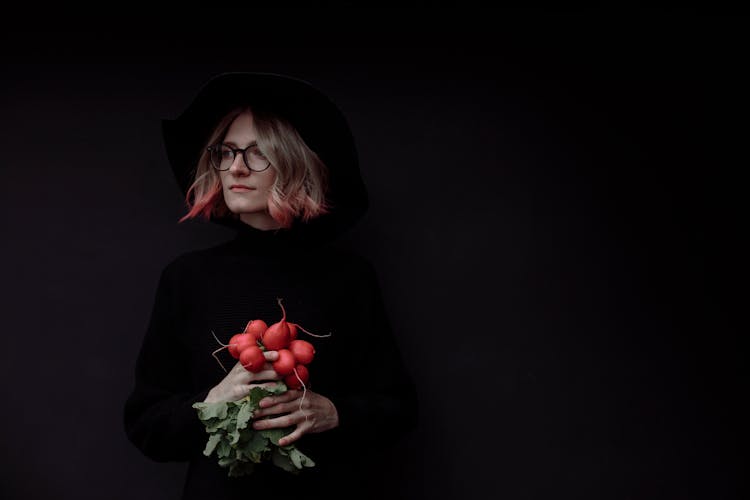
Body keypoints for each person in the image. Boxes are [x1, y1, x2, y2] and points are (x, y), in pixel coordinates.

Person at [123, 72, 419, 499]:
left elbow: (399, 409)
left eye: (257, 153)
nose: (236, 167)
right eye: (226, 152)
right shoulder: (186, 278)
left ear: (295, 162)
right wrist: (211, 403)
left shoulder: (348, 278)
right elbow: (145, 424)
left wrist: (335, 412)